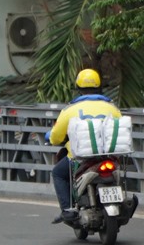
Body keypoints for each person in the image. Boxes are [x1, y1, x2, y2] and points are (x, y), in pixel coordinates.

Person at [47, 69, 123, 224]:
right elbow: (121, 130)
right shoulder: (113, 108)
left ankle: (67, 209)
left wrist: (51, 138)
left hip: (80, 158)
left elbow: (56, 137)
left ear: (78, 88)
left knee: (58, 174)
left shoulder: (70, 110)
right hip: (109, 156)